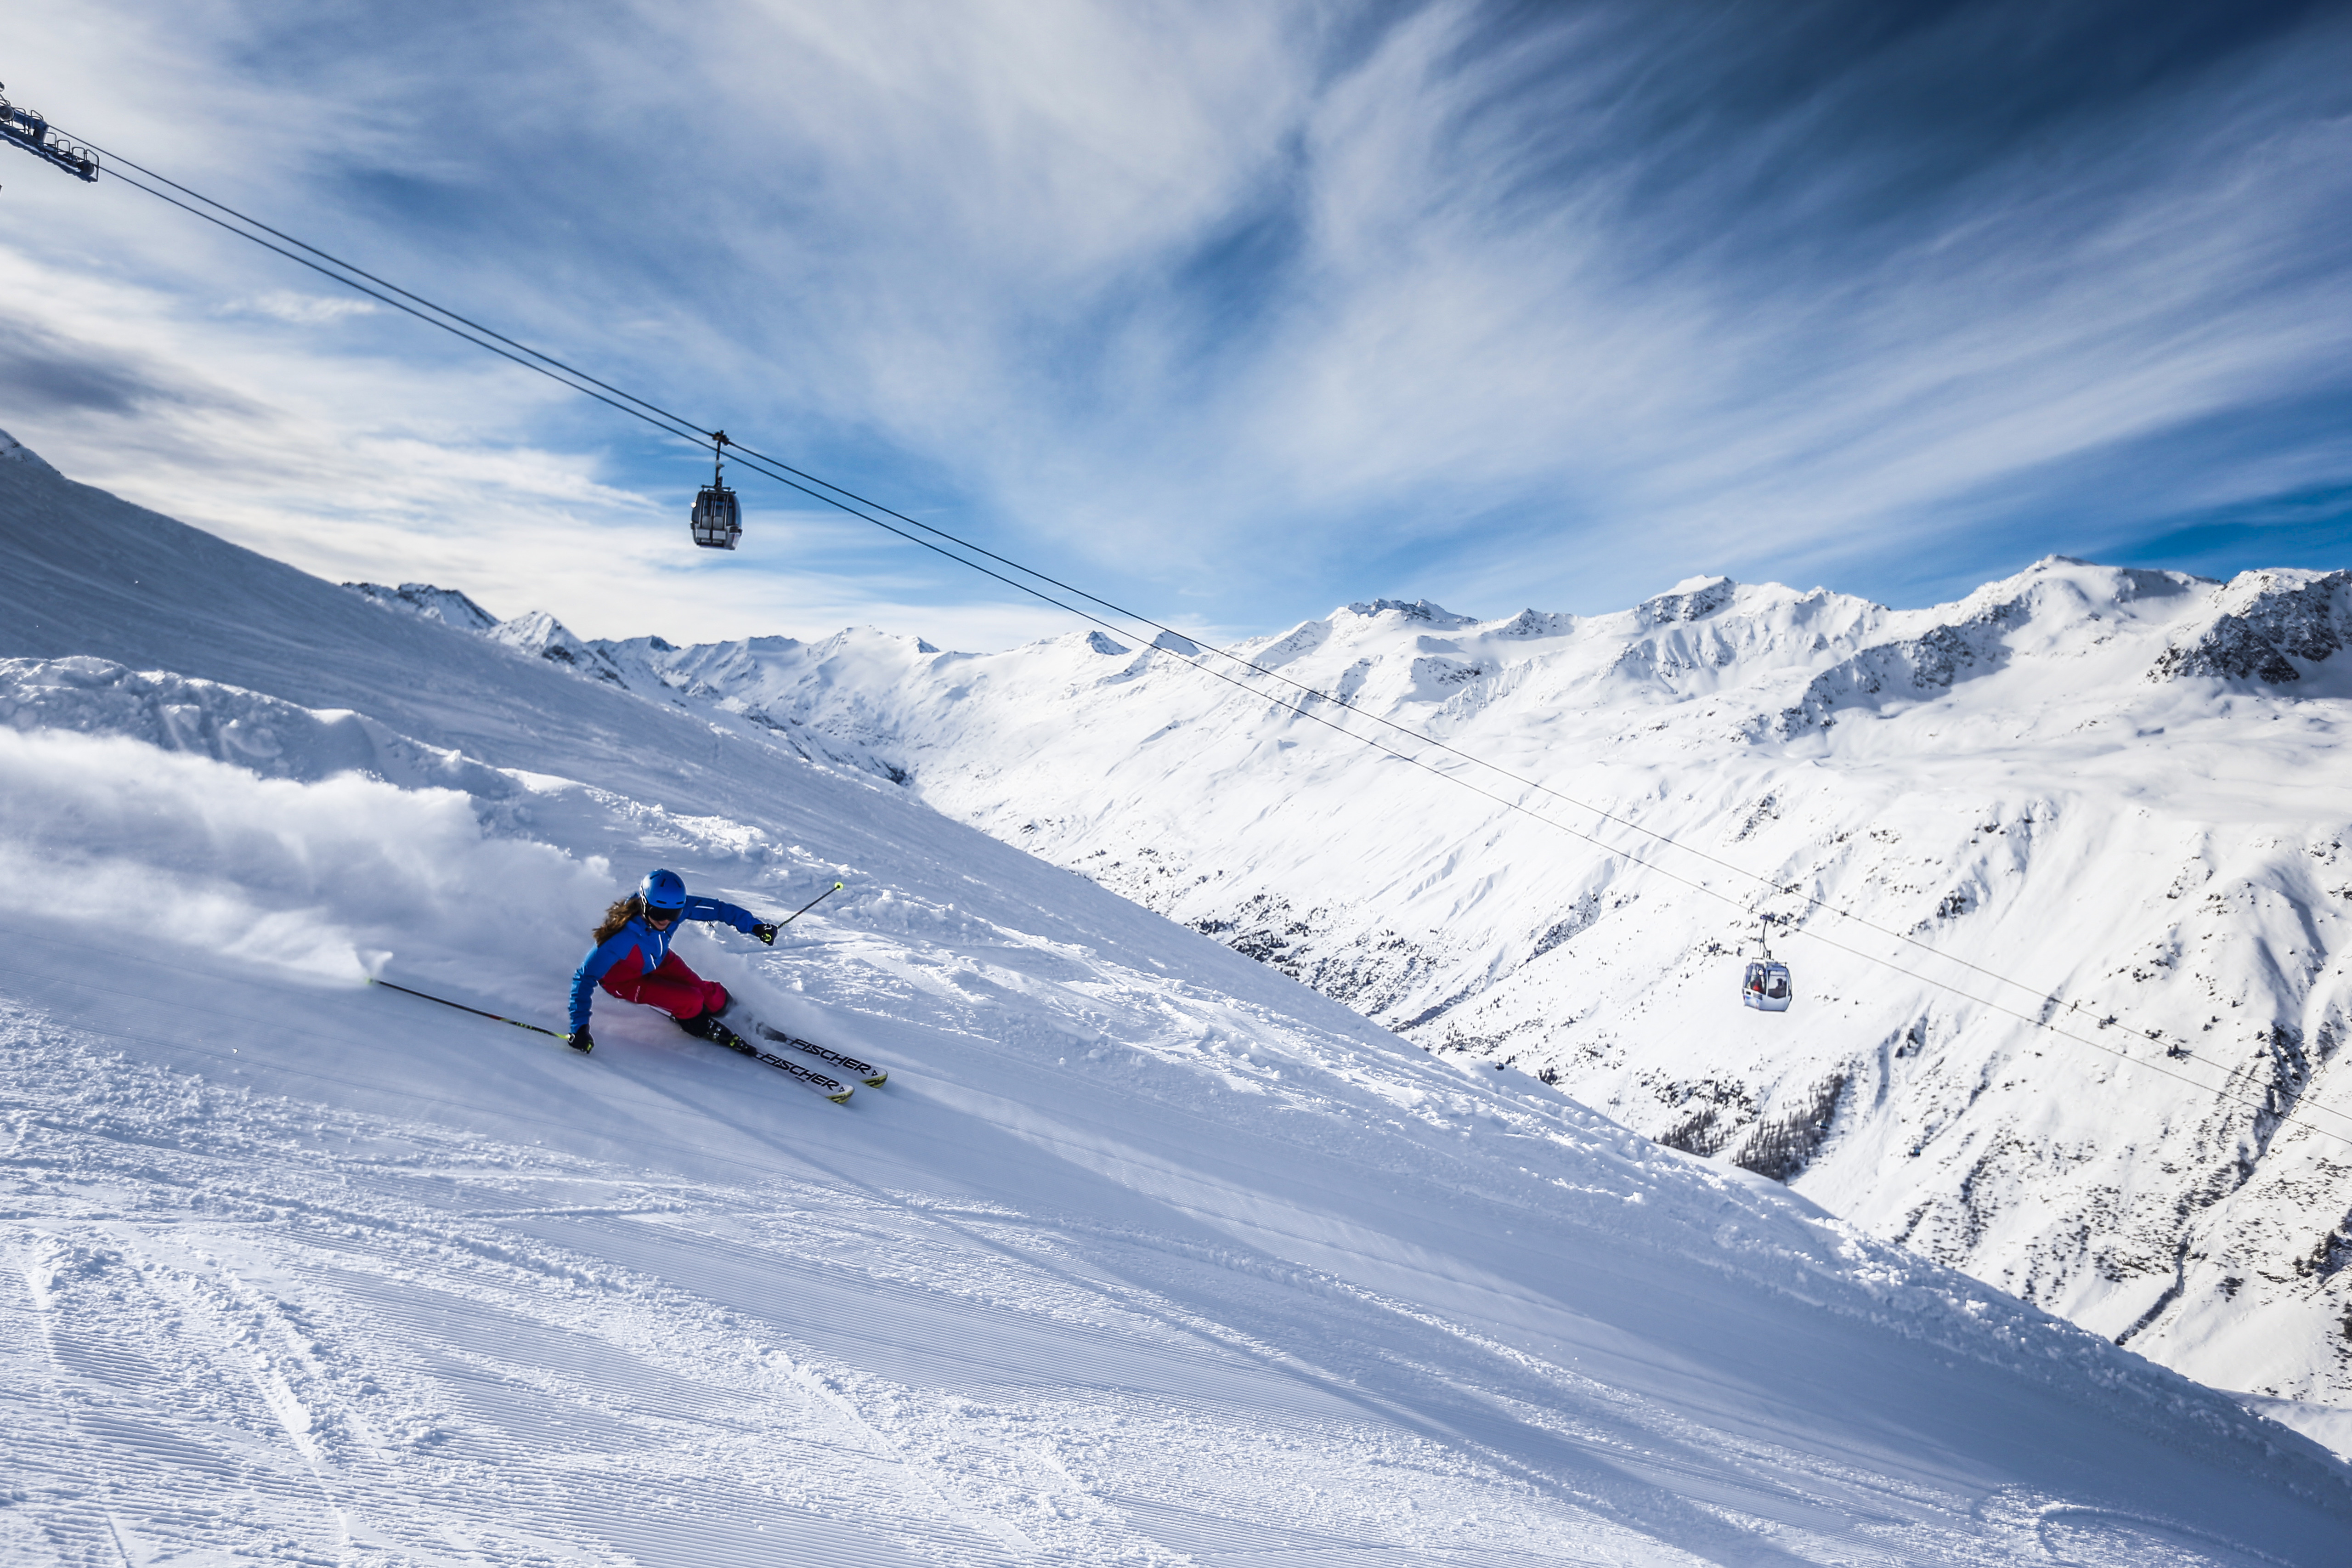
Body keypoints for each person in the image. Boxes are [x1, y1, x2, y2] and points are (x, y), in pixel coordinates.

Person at [565, 868, 778, 1053]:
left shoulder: (672, 910)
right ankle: (698, 1025)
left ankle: (738, 1014)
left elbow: (719, 910)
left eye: (673, 914)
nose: (665, 920)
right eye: (658, 913)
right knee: (691, 1000)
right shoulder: (620, 939)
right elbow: (584, 978)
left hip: (658, 961)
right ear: (645, 904)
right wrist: (579, 1028)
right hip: (624, 982)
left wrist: (756, 927)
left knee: (712, 996)